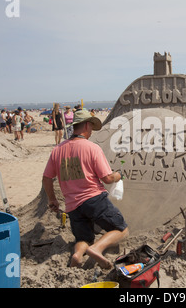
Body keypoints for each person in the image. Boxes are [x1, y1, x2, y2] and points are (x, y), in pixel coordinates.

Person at [42, 109, 128, 269]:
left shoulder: (58, 150)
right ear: (87, 125)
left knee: (83, 238)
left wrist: (52, 199)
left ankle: (78, 255)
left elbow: (47, 178)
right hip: (94, 199)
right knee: (121, 229)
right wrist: (118, 175)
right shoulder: (91, 148)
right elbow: (107, 178)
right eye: (91, 128)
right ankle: (97, 248)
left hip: (73, 205)